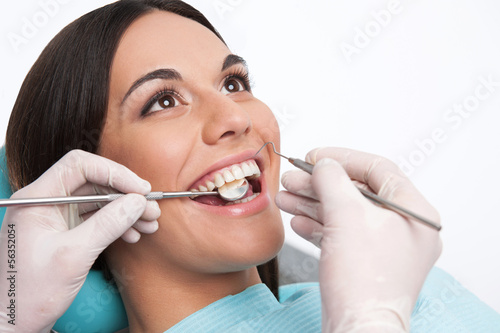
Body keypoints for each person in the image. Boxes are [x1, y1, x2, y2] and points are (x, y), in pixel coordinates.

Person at [0, 1, 499, 332]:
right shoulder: (371, 306)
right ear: (88, 189)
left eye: (234, 84)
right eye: (164, 100)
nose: (236, 118)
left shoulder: (392, 282)